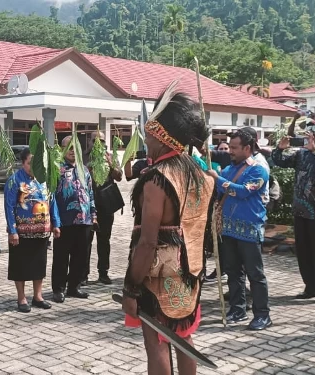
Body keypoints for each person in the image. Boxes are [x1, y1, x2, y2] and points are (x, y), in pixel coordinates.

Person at [121, 86, 215, 375]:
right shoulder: (203, 175)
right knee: (183, 336)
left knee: (157, 342)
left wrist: (131, 286)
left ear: (161, 136)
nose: (145, 139)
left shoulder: (157, 180)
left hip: (158, 274)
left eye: (149, 133)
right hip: (191, 270)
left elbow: (148, 242)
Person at [207, 129, 272, 330]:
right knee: (233, 273)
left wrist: (217, 179)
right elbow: (221, 189)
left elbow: (242, 191)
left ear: (247, 148)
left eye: (234, 148)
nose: (230, 151)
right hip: (228, 229)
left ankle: (262, 315)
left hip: (249, 230)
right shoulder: (229, 169)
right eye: (230, 147)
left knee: (255, 274)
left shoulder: (258, 169)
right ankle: (237, 309)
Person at [272, 124, 315, 304]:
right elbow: (280, 162)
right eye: (309, 134)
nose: (311, 137)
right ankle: (311, 287)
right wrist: (280, 148)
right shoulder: (301, 153)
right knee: (304, 252)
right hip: (300, 210)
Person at [4, 148, 60, 312]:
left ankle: (38, 296)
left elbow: (53, 203)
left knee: (39, 263)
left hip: (42, 231)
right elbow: (9, 207)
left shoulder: (45, 180)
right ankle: (21, 298)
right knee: (20, 265)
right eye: (30, 163)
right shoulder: (14, 181)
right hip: (21, 232)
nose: (33, 167)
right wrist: (13, 230)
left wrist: (56, 224)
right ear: (23, 163)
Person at [52, 135, 96, 303]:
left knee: (81, 255)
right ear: (62, 149)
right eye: (68, 147)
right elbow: (52, 196)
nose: (72, 151)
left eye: (74, 147)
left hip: (84, 220)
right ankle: (59, 289)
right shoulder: (57, 169)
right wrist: (54, 220)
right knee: (61, 256)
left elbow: (90, 193)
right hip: (65, 220)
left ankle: (74, 287)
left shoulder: (84, 169)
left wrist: (94, 215)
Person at [84, 131, 123, 285]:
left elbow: (119, 177)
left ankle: (103, 272)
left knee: (104, 240)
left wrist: (110, 163)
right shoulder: (84, 157)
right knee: (86, 241)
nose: (98, 143)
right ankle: (83, 274)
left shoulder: (110, 156)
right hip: (87, 204)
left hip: (106, 203)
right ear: (90, 142)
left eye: (101, 140)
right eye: (95, 140)